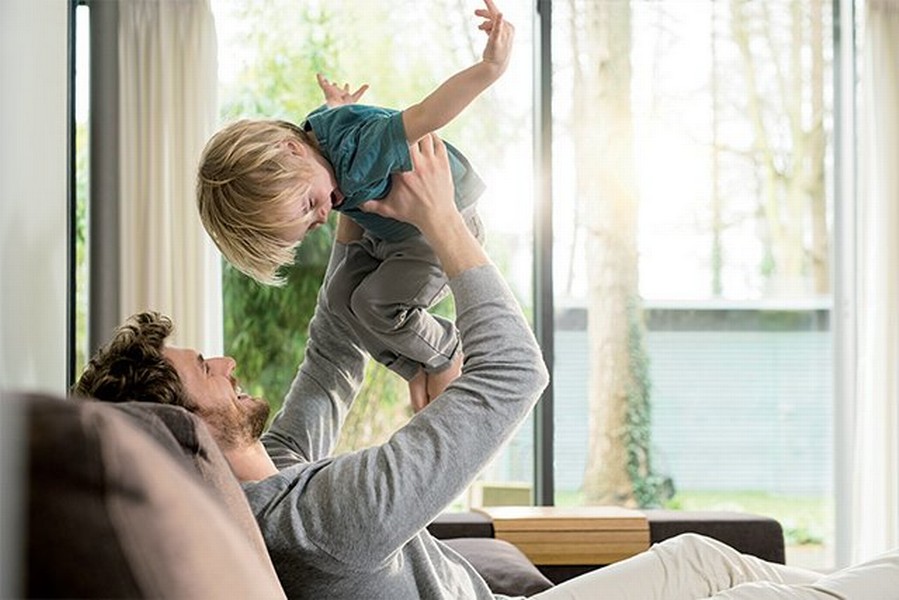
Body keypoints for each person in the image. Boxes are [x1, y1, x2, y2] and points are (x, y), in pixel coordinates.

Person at [76, 135, 899, 599]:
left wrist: (351, 212)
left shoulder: (280, 473)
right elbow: (515, 375)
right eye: (200, 369)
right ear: (184, 427)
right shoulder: (317, 521)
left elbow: (332, 347)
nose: (223, 360)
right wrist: (440, 223)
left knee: (701, 558)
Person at [196, 0, 513, 404]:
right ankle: (415, 364)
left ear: (292, 151)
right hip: (395, 235)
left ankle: (446, 352)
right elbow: (342, 128)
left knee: (373, 303)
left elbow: (427, 114)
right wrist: (342, 108)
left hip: (438, 233)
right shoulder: (315, 142)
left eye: (312, 204)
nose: (325, 213)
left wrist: (490, 68)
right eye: (312, 222)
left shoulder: (360, 158)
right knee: (340, 300)